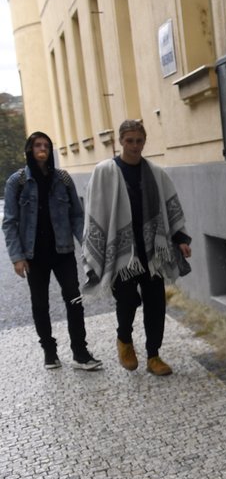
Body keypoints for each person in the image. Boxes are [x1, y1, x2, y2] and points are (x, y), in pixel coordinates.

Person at [82, 119, 192, 376]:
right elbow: (94, 209)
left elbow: (169, 207)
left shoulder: (155, 172)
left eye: (139, 141)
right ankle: (124, 340)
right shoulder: (105, 171)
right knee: (128, 299)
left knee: (155, 302)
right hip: (122, 251)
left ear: (144, 142)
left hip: (151, 249)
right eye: (129, 141)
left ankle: (154, 355)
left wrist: (181, 240)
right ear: (120, 141)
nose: (134, 146)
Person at [3, 131, 102, 370]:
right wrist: (17, 257)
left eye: (46, 145)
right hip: (33, 255)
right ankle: (49, 351)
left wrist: (86, 245)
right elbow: (9, 222)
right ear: (30, 150)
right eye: (38, 145)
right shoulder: (16, 182)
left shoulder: (63, 179)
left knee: (74, 299)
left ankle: (80, 352)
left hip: (62, 251)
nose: (42, 149)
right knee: (40, 304)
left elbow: (77, 216)